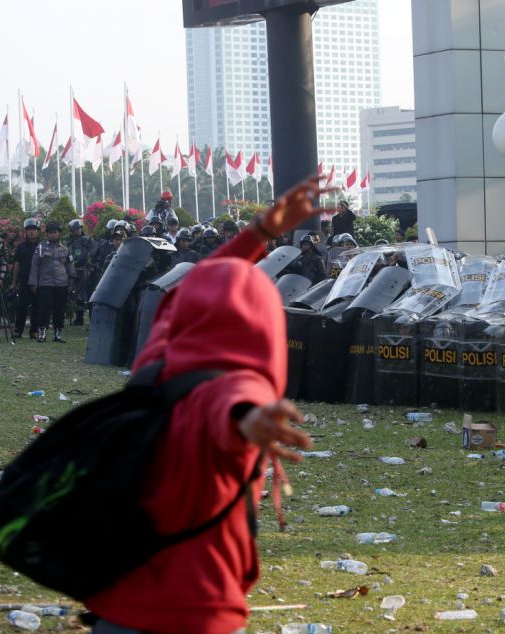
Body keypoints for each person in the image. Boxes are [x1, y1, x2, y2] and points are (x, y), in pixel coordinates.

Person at [83, 175, 332, 634]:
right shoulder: (230, 381)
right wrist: (248, 418)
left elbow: (209, 278)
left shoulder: (163, 341)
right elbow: (220, 403)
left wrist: (258, 232)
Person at [29, 221, 75, 343]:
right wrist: (33, 283)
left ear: (59, 234)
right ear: (47, 234)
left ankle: (58, 333)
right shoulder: (40, 247)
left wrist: (71, 284)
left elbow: (70, 268)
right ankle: (42, 333)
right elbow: (35, 266)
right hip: (45, 283)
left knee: (60, 310)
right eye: (50, 233)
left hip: (61, 284)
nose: (53, 235)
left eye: (55, 232)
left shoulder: (65, 249)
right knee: (44, 308)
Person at [11, 218, 42, 339]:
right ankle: (18, 330)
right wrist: (14, 282)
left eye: (34, 230)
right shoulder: (21, 247)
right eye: (29, 230)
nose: (31, 232)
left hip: (39, 282)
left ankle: (34, 331)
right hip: (24, 281)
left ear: (38, 231)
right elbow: (17, 265)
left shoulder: (43, 246)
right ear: (25, 232)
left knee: (37, 307)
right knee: (22, 306)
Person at [67, 219, 94, 326]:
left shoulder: (87, 240)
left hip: (84, 269)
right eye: (75, 229)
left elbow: (93, 253)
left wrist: (90, 267)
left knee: (84, 294)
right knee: (74, 293)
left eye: (79, 228)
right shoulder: (69, 242)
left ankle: (81, 317)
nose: (77, 231)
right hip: (73, 270)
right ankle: (77, 316)